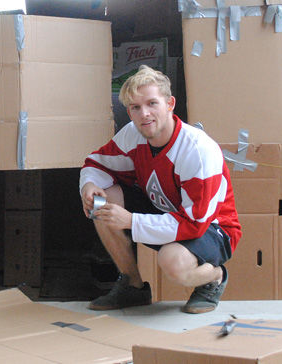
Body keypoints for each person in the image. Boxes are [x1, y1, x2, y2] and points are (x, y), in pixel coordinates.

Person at [79, 65, 241, 314]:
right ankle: (133, 287)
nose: (144, 114)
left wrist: (132, 221)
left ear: (170, 103)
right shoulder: (133, 135)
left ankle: (214, 277)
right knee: (103, 202)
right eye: (135, 107)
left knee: (172, 260)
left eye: (152, 103)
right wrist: (89, 185)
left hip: (211, 227)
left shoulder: (197, 150)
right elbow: (96, 163)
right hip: (163, 212)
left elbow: (194, 223)